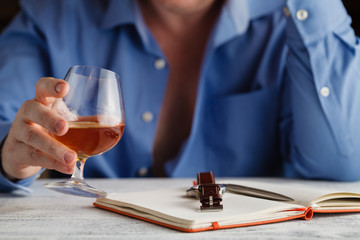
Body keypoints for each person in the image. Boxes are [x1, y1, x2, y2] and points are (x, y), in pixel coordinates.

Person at [1, 0, 360, 193]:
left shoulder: (293, 18)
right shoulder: (51, 14)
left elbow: (341, 167)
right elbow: (8, 125)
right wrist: (11, 158)